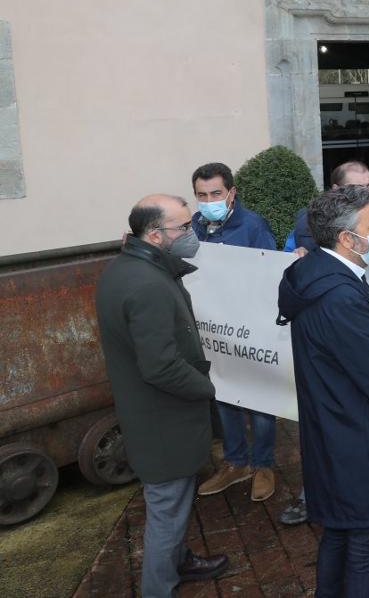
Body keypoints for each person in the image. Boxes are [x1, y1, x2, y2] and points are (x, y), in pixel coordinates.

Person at [277, 186, 369, 597]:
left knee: (340, 534)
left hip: (334, 427)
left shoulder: (318, 276)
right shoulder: (339, 296)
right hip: (356, 436)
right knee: (364, 547)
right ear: (346, 239)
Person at [95, 195, 228, 597]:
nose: (192, 233)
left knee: (173, 505)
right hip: (163, 422)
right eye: (184, 227)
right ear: (155, 234)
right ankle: (160, 586)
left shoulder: (129, 268)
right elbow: (160, 367)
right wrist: (208, 389)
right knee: (167, 511)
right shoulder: (146, 284)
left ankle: (179, 560)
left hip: (155, 417)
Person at [190, 162, 280, 503]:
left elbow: (270, 272)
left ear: (231, 193)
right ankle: (236, 462)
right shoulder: (194, 227)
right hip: (213, 329)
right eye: (202, 195)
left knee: (258, 400)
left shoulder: (253, 226)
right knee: (224, 396)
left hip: (251, 327)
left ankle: (263, 465)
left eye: (216, 193)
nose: (209, 200)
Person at [285, 160, 369, 264]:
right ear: (336, 190)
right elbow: (286, 263)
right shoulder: (306, 224)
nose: (367, 193)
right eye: (357, 188)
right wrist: (296, 258)